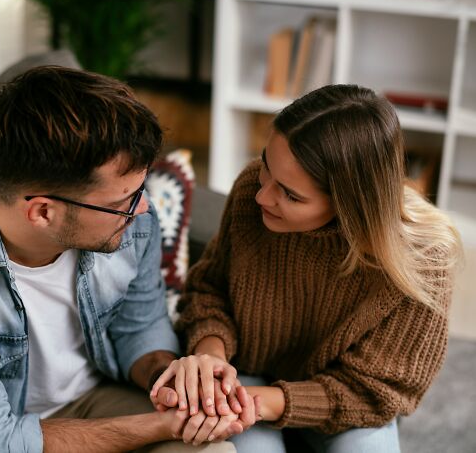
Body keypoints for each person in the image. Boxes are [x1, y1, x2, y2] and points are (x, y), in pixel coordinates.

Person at [0, 65, 257, 453]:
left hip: (93, 402)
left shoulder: (131, 224)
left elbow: (138, 328)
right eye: (120, 202)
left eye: (138, 190)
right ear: (43, 212)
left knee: (214, 450)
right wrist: (163, 425)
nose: (142, 208)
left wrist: (172, 378)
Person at [150, 84, 462, 452]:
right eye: (266, 163)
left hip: (338, 403)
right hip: (242, 377)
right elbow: (210, 290)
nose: (262, 195)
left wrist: (265, 402)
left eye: (291, 194)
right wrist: (210, 357)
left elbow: (379, 391)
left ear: (349, 205)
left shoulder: (423, 259)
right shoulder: (253, 190)